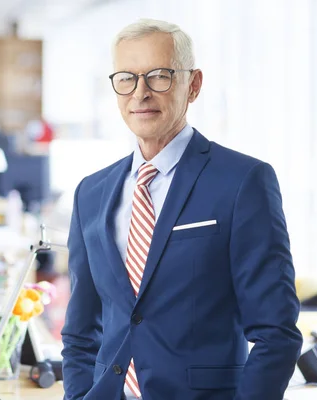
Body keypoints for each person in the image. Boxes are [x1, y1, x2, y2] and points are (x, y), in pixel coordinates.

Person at [61, 19, 303, 400]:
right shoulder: (90, 193)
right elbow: (79, 331)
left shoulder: (243, 182)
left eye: (159, 76)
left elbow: (277, 333)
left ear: (193, 85)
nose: (140, 93)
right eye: (126, 78)